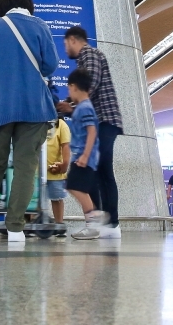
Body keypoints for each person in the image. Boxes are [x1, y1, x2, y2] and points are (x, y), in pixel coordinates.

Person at [0, 0, 59, 245]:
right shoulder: (41, 27)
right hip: (35, 108)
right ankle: (16, 228)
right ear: (28, 2)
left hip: (0, 106)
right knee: (25, 167)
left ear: (2, 3)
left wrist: (3, 74)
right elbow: (50, 66)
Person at [60, 26, 124, 239]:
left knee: (100, 172)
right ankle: (106, 224)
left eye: (65, 43)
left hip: (105, 120)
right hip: (102, 121)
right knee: (100, 172)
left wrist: (70, 105)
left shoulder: (91, 55)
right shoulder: (85, 59)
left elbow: (91, 86)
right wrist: (70, 106)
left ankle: (106, 224)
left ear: (72, 40)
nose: (65, 48)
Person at [63, 68, 104, 240]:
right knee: (77, 187)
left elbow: (92, 131)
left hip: (83, 157)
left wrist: (85, 155)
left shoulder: (85, 107)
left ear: (73, 87)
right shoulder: (82, 108)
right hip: (82, 156)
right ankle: (93, 217)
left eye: (68, 88)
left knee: (75, 187)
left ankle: (93, 221)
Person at [46, 115, 72, 234]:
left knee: (56, 198)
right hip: (35, 170)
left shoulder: (61, 124)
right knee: (33, 199)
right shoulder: (35, 121)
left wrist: (64, 165)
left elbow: (65, 145)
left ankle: (59, 225)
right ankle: (32, 225)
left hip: (54, 169)